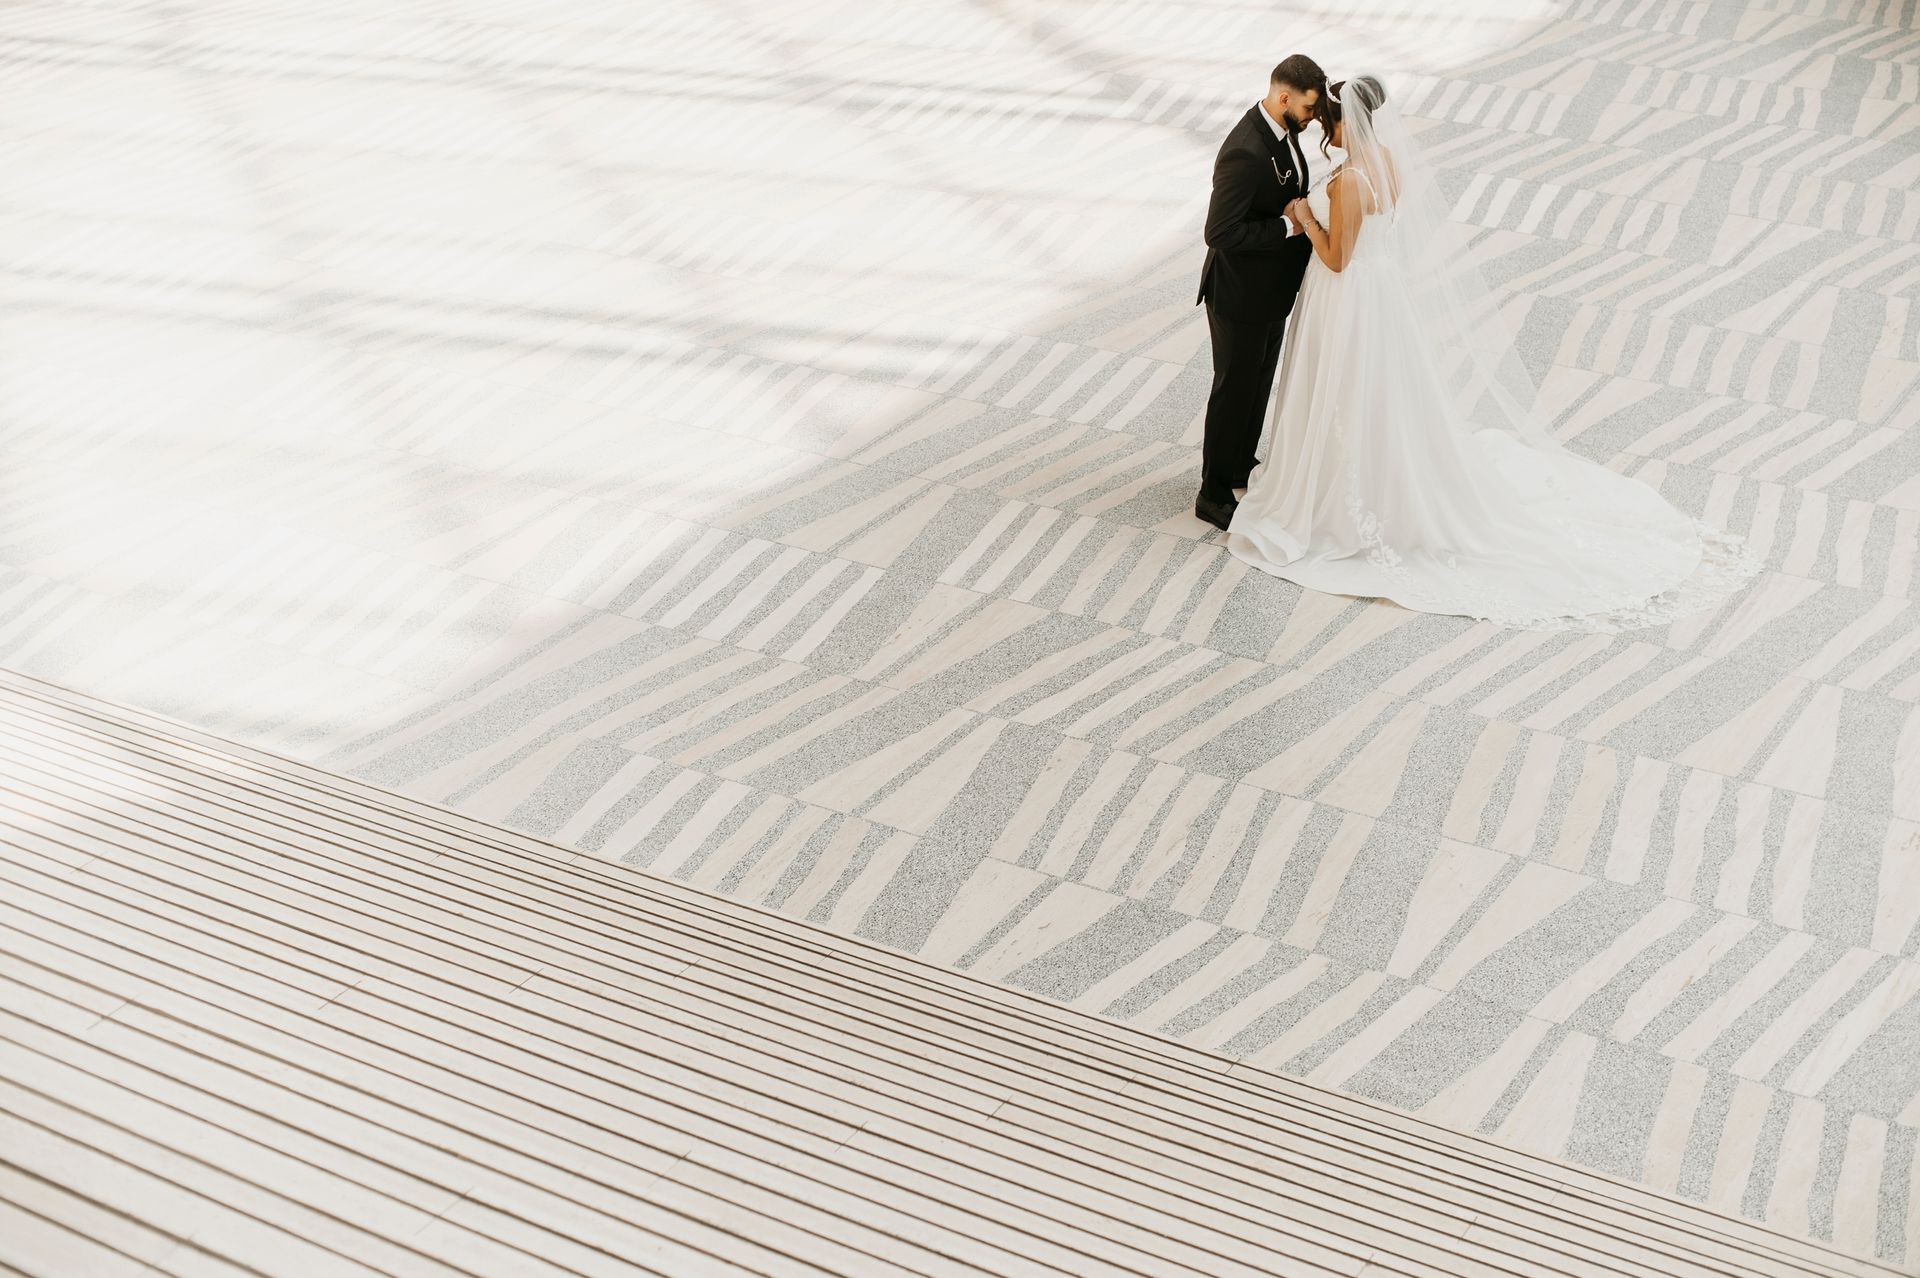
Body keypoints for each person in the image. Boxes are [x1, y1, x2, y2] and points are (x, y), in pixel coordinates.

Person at [1222, 74, 1763, 632]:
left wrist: (1306, 219)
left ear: (1341, 122)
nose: (1316, 127)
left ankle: (1339, 495)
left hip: (1347, 298)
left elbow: (1337, 259)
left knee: (1345, 391)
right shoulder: (1385, 160)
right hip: (1378, 293)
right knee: (1378, 394)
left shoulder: (1350, 181)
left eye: (1322, 120)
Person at [1193, 54, 1330, 533]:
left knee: (1258, 384)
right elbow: (1221, 232)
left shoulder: (1285, 134)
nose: (1314, 119)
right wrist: (1288, 226)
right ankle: (1212, 493)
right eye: (1309, 109)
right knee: (1234, 390)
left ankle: (1238, 465)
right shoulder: (1245, 151)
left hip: (1270, 292)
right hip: (1239, 295)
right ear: (1284, 97)